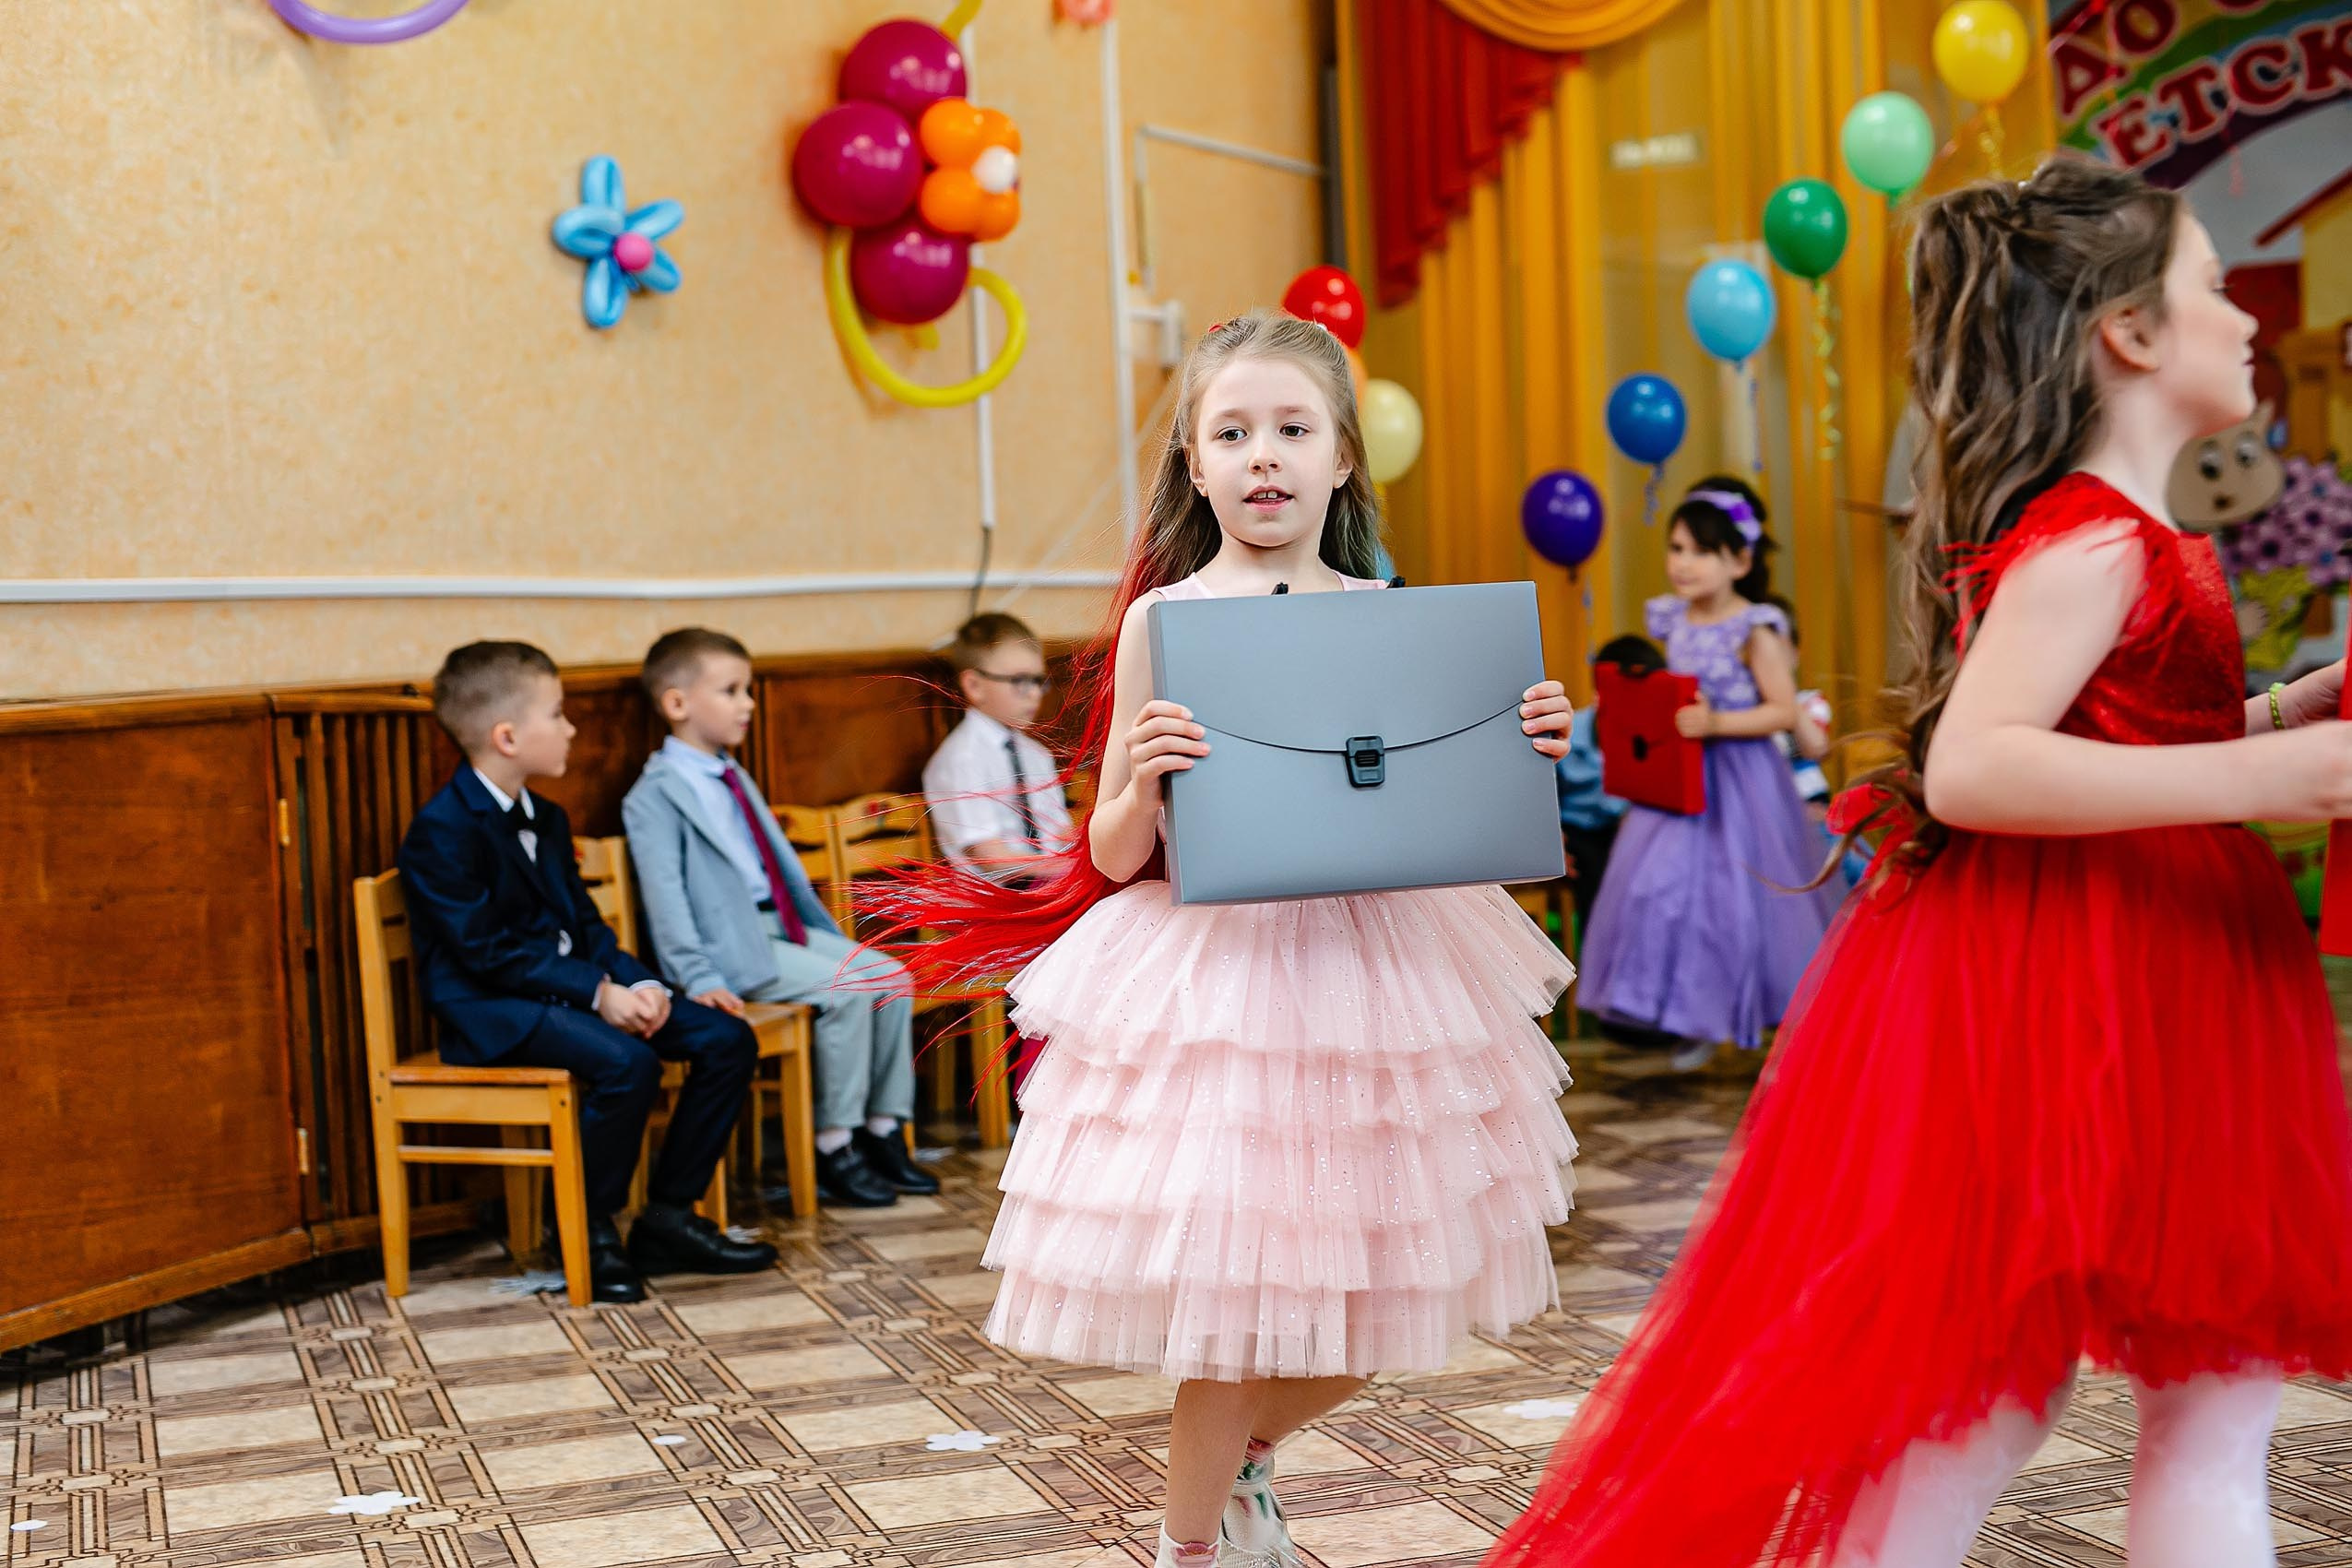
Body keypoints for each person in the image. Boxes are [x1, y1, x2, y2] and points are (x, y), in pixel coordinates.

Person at [1488, 155, 2352, 1568]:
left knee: (2144, 1402)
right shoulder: (2090, 540)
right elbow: (1978, 765)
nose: (2246, 317)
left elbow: (2106, 732)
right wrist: (2269, 772)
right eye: (2210, 285)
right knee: (2002, 1403)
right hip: (2076, 985)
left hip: (2167, 977)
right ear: (2128, 333)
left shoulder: (2129, 540)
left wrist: (2262, 715)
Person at [869, 311, 1582, 1568]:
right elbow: (1110, 853)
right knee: (1235, 1317)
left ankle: (1249, 1460)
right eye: (1232, 433)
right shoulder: (1167, 621)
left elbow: (1452, 811)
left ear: (1342, 458)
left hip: (1381, 975)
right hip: (1222, 989)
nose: (1264, 457)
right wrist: (1139, 781)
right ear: (1194, 468)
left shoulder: (1384, 610)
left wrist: (1519, 747)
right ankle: (1188, 1548)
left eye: (1292, 430)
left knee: (1387, 1298)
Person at [398, 640, 774, 1303]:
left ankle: (668, 1216)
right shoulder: (442, 830)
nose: (571, 727)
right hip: (493, 1011)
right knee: (627, 1063)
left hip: (565, 993)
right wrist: (598, 994)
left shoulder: (546, 817)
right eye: (559, 714)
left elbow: (586, 926)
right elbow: (487, 953)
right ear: (508, 736)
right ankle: (588, 1229)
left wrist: (642, 984)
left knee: (726, 1040)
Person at [622, 627, 932, 1211]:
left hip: (782, 929)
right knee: (848, 991)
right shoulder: (654, 794)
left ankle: (882, 1128)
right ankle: (833, 1143)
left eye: (749, 689)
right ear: (677, 704)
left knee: (893, 980)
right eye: (733, 691)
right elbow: (665, 896)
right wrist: (698, 976)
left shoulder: (732, 775)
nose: (749, 704)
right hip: (733, 948)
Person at [1574, 477, 1844, 1069]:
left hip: (1745, 781)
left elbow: (1781, 708)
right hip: (1681, 780)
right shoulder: (1674, 622)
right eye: (1676, 548)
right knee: (1665, 894)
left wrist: (1717, 722)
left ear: (1739, 560)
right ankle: (1692, 1017)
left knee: (1744, 902)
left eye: (1699, 551)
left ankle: (1773, 1023)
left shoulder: (1757, 629)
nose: (1683, 564)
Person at [923, 611, 1075, 886]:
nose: (1033, 693)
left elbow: (1062, 832)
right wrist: (1065, 867)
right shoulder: (961, 759)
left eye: (1038, 681)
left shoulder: (1036, 754)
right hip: (992, 902)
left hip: (1050, 886)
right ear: (974, 685)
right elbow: (989, 857)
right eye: (1019, 680)